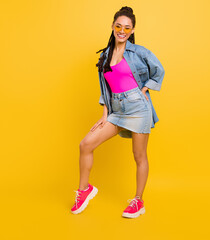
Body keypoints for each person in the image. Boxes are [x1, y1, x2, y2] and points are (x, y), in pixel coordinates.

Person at [71, 6, 165, 218]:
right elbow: (106, 88)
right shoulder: (104, 56)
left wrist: (144, 89)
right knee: (85, 144)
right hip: (116, 109)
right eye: (118, 26)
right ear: (113, 27)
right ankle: (84, 190)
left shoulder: (138, 51)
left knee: (139, 156)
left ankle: (138, 202)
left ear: (132, 30)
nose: (122, 30)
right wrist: (105, 114)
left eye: (127, 27)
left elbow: (159, 70)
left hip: (138, 108)